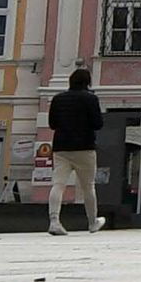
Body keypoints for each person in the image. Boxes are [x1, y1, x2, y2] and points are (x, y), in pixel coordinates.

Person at [46, 67, 105, 234]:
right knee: (88, 186)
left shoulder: (58, 99)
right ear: (87, 82)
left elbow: (52, 124)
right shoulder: (91, 99)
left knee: (58, 184)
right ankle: (93, 223)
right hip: (84, 147)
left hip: (61, 147)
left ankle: (54, 220)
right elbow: (98, 124)